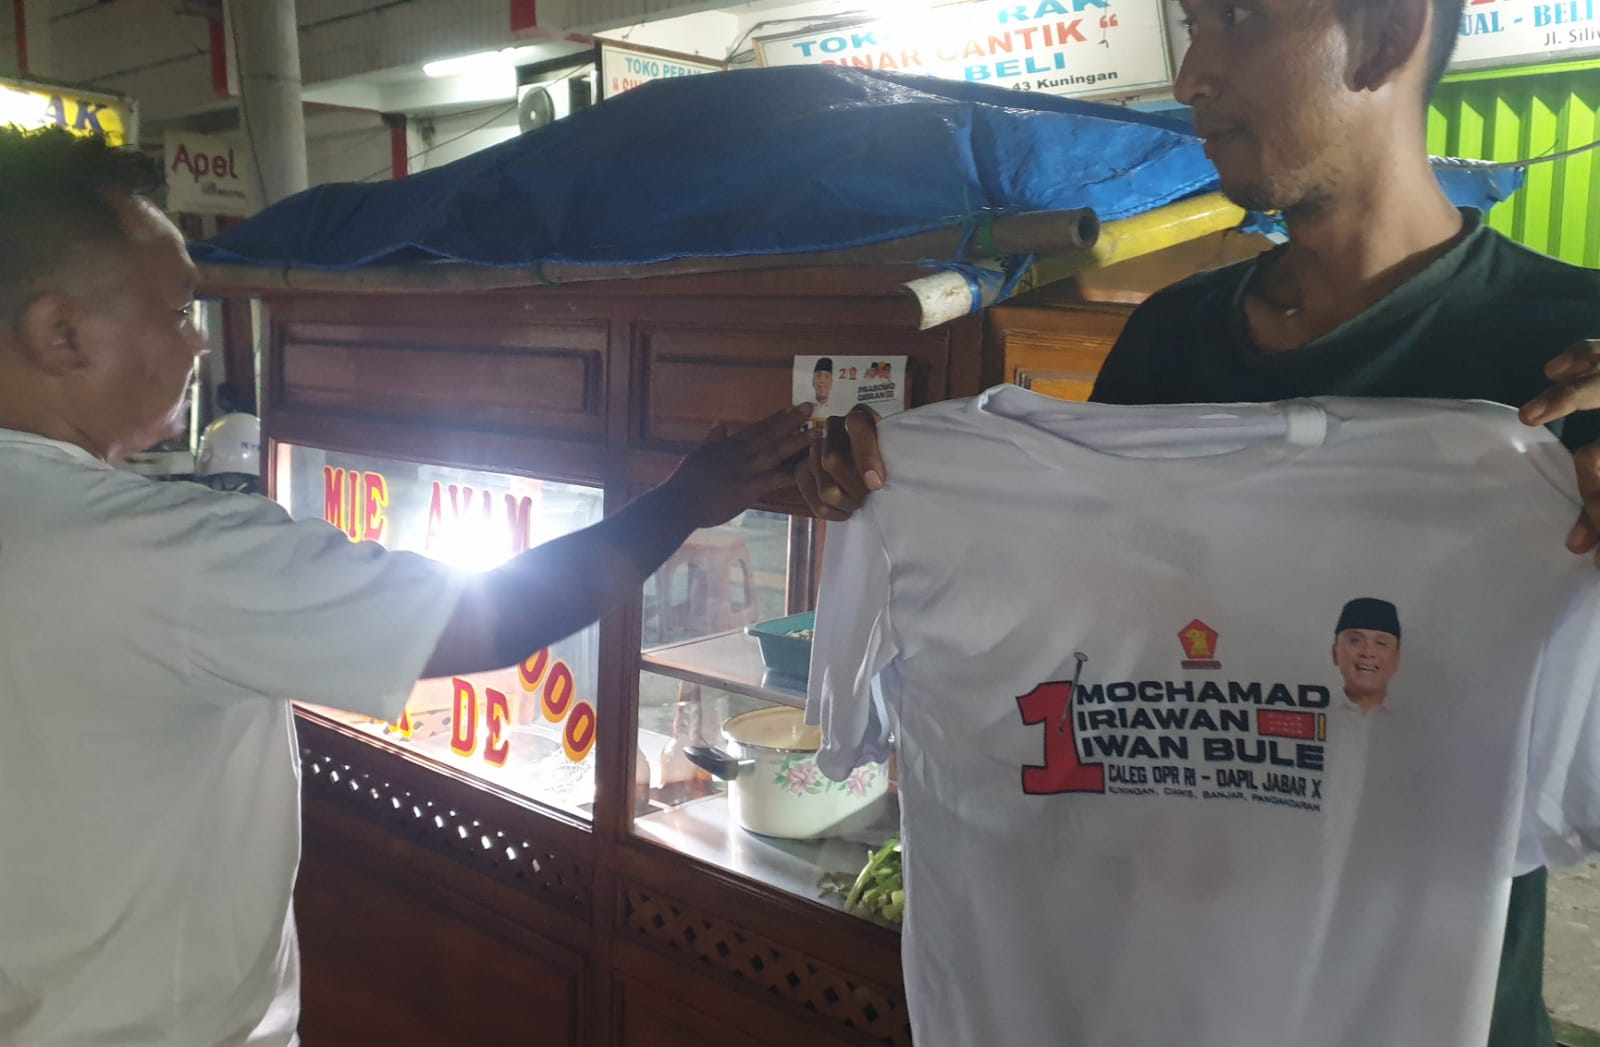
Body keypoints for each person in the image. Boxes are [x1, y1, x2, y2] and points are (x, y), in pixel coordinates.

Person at [797, 0, 1600, 1041]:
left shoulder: (1567, 358)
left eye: (1238, 20)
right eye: (1189, 25)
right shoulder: (1166, 339)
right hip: (1146, 995)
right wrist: (890, 491)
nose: (1190, 77)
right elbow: (1097, 643)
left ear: (1388, 36)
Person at [0, 125, 812, 1045]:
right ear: (59, 331)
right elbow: (489, 620)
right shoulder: (166, 554)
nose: (195, 343)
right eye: (178, 309)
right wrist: (687, 499)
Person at [1332, 597, 1402, 711]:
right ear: (1334, 653)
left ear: (1397, 659)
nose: (1367, 652)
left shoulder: (1414, 718)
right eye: (1355, 640)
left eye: (1381, 643)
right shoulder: (1320, 713)